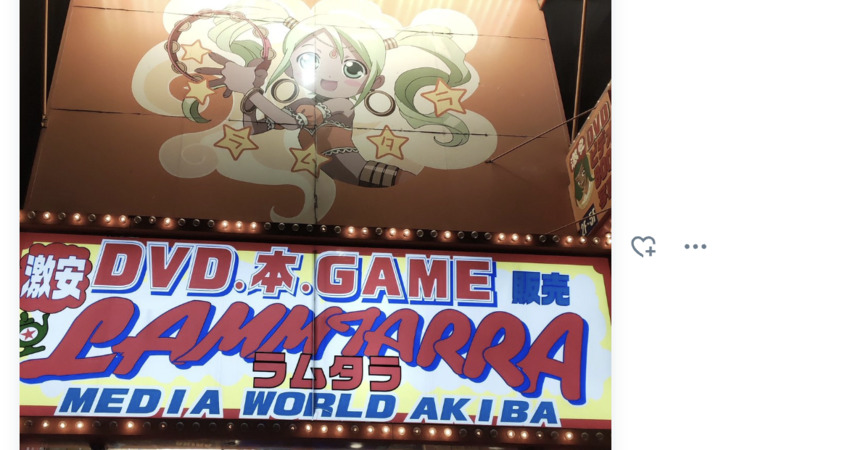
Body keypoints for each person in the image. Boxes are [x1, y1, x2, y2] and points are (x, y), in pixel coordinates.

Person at [192, 13, 473, 187]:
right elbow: (255, 129)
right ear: (289, 69)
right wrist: (249, 103)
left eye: (353, 68)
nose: (328, 75)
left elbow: (290, 123)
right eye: (309, 59)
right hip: (339, 173)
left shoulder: (341, 104)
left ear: (375, 82)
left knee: (412, 188)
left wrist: (251, 92)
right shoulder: (300, 104)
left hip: (360, 171)